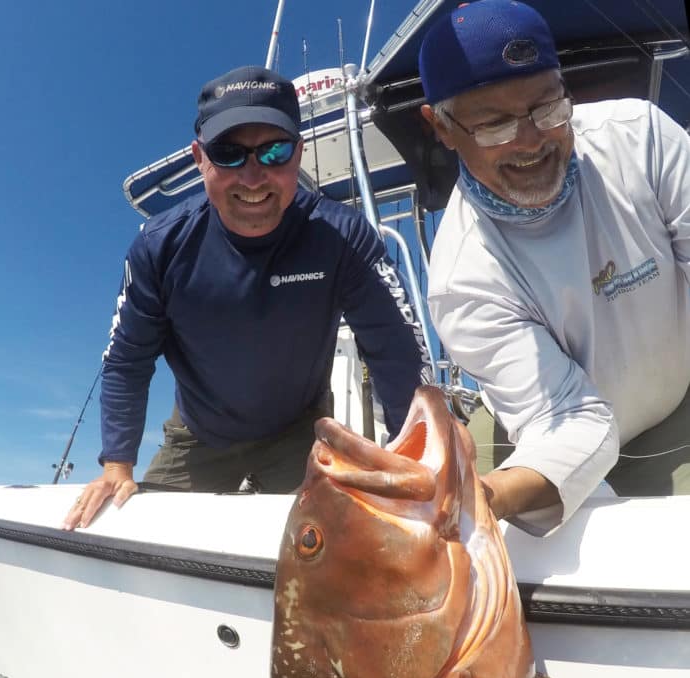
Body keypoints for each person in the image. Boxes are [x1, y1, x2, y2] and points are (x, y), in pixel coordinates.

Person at [63, 65, 429, 531]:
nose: (254, 177)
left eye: (274, 151)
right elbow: (126, 360)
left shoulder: (342, 237)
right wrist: (117, 464)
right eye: (229, 154)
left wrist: (418, 458)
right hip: (197, 435)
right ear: (200, 157)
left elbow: (394, 350)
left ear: (298, 153)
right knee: (131, 528)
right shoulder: (159, 246)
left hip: (301, 431)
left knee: (338, 547)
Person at [419, 0, 690, 536]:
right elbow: (572, 422)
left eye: (547, 108)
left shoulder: (640, 135)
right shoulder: (461, 279)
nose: (530, 141)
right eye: (494, 125)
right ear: (442, 127)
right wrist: (477, 497)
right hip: (546, 449)